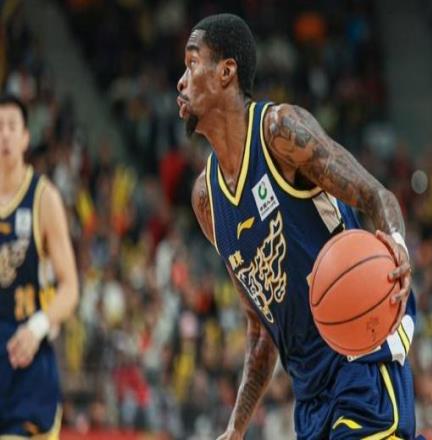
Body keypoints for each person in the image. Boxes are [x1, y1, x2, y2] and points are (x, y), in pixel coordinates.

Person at [179, 14, 418, 440]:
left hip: (360, 355)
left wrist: (397, 244)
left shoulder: (280, 132)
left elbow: (374, 195)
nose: (181, 82)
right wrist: (236, 428)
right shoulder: (206, 200)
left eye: (192, 63)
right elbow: (261, 331)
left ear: (226, 72)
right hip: (310, 398)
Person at [0, 94, 79, 438]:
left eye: (11, 126)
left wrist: (39, 325)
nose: (4, 134)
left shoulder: (43, 198)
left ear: (25, 137)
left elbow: (70, 287)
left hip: (26, 361)